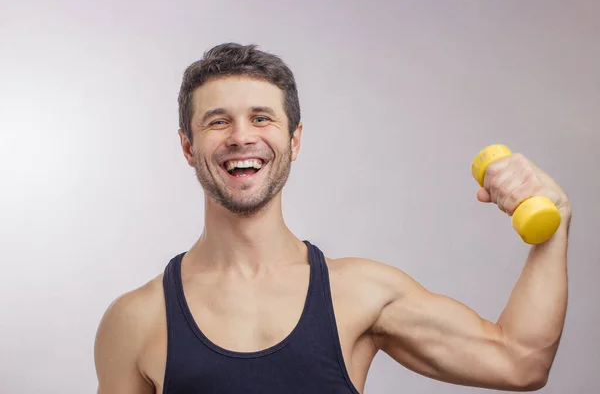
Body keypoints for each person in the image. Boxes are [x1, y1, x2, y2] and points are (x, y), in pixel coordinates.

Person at [94, 43, 571, 394]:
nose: (241, 136)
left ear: (294, 140)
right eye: (218, 121)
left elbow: (520, 362)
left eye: (262, 118)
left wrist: (554, 225)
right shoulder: (137, 319)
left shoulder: (359, 293)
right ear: (187, 146)